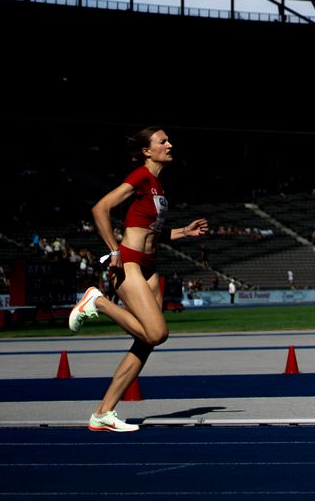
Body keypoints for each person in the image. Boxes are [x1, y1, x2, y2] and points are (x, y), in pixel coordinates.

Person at [64, 127, 209, 433]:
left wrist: (185, 232)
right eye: (163, 141)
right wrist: (113, 251)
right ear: (147, 151)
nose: (170, 144)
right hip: (129, 263)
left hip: (150, 268)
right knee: (157, 333)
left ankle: (103, 412)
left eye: (168, 140)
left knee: (145, 344)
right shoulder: (141, 176)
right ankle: (98, 302)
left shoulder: (158, 185)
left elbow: (152, 233)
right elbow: (100, 208)